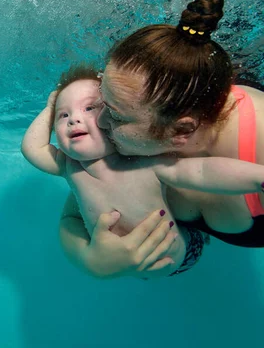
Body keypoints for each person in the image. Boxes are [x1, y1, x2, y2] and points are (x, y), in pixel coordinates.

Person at [59, 0, 264, 279]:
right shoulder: (124, 132)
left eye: (115, 115)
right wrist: (89, 259)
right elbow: (72, 214)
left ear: (181, 131)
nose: (100, 121)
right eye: (102, 103)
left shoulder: (259, 139)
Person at [22, 63, 264, 279]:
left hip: (178, 251)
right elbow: (33, 149)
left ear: (115, 115)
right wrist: (91, 260)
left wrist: (257, 177)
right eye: (63, 116)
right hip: (157, 259)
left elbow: (202, 171)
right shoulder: (71, 167)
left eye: (89, 109)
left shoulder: (144, 161)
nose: (73, 119)